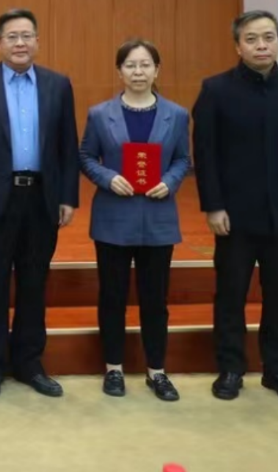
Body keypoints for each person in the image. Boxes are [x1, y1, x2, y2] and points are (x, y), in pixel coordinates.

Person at [194, 10, 278, 406]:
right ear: (238, 46)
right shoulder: (216, 90)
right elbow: (206, 154)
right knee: (230, 294)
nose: (262, 45)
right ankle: (231, 368)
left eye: (269, 37)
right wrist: (213, 206)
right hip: (234, 217)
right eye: (252, 39)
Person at [0, 8, 79, 399]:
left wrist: (68, 196)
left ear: (38, 41)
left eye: (27, 36)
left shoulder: (58, 84)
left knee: (34, 282)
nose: (20, 43)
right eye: (12, 36)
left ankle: (29, 363)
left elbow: (67, 145)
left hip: (42, 198)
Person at [79, 39, 190, 402]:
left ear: (157, 70)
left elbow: (183, 159)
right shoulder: (100, 114)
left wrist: (170, 181)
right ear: (119, 71)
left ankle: (157, 371)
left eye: (145, 65)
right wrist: (107, 177)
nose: (138, 72)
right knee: (112, 296)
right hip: (113, 218)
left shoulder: (177, 114)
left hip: (158, 219)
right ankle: (113, 368)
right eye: (130, 65)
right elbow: (86, 156)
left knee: (155, 300)